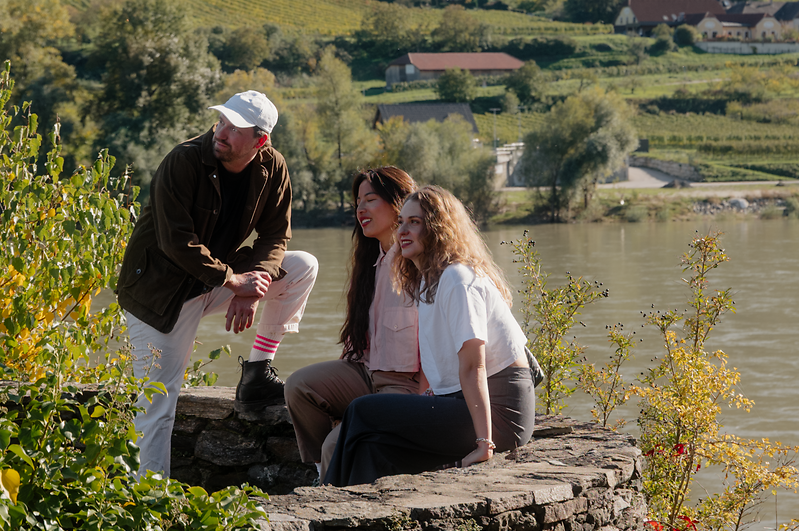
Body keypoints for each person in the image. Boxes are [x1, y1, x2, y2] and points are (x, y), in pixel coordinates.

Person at [114, 89, 318, 476]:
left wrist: (253, 282)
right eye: (221, 120)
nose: (220, 132)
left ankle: (258, 373)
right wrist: (232, 281)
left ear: (260, 140)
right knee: (157, 405)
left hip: (216, 278)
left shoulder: (272, 167)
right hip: (159, 294)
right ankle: (146, 504)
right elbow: (177, 241)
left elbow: (276, 236)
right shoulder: (184, 160)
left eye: (234, 127)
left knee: (303, 266)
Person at [323, 184, 534, 485]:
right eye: (401, 223)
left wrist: (484, 444)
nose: (402, 231)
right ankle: (352, 517)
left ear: (438, 228)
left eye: (415, 222)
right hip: (462, 405)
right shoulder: (427, 282)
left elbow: (476, 365)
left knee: (362, 410)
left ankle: (328, 498)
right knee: (371, 447)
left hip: (500, 415)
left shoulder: (457, 279)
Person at [283, 166, 423, 478]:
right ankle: (325, 472)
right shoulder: (370, 261)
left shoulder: (419, 263)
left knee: (338, 442)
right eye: (357, 203)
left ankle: (332, 492)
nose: (360, 209)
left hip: (406, 387)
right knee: (298, 386)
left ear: (399, 202)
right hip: (366, 373)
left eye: (370, 200)